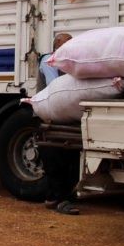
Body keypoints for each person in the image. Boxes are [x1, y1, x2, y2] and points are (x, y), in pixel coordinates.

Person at [38, 33, 80, 215]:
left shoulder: (71, 64)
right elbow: (55, 86)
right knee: (55, 156)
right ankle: (61, 199)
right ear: (58, 46)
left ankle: (55, 196)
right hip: (49, 116)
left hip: (65, 115)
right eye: (66, 44)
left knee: (70, 156)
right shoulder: (49, 61)